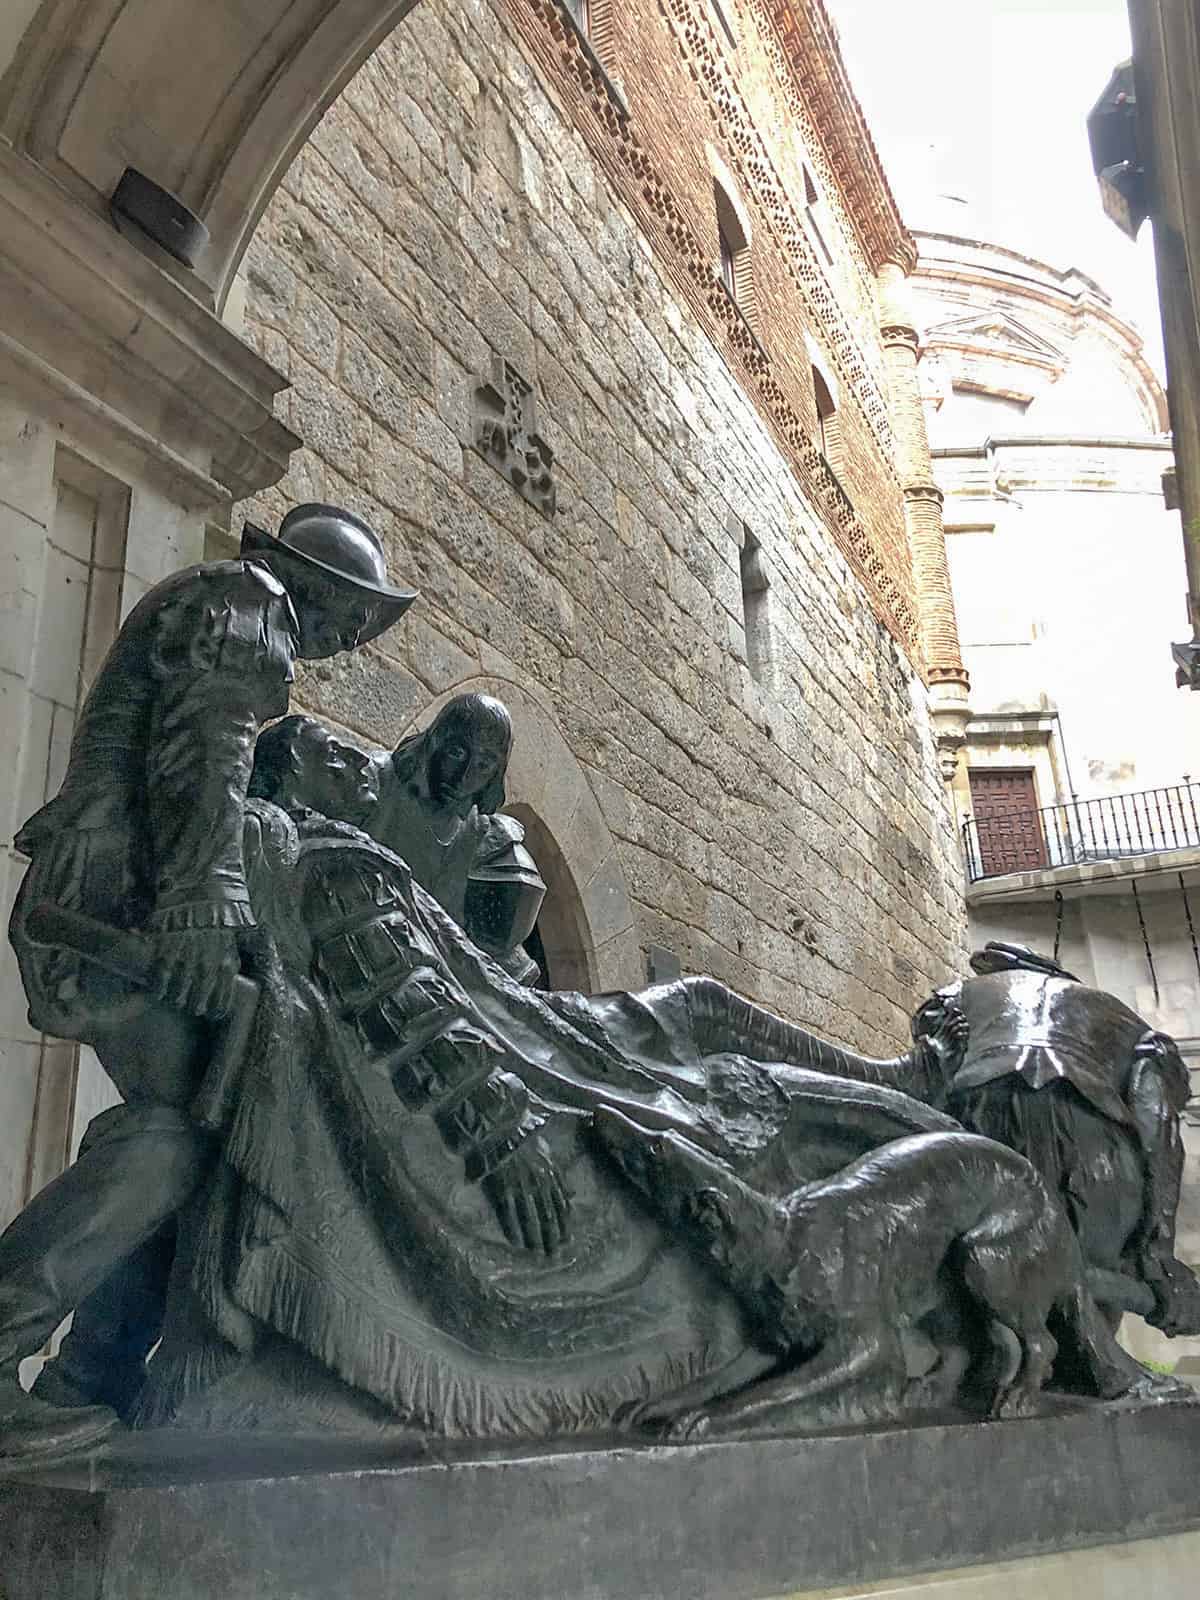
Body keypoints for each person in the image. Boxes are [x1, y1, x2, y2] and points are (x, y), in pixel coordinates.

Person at [0, 504, 415, 1455]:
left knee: (204, 1135)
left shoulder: (223, 600)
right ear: (310, 583)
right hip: (125, 903)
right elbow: (206, 751)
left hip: (129, 896)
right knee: (180, 1133)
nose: (353, 634)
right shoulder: (246, 597)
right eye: (353, 610)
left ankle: (91, 1370)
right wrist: (202, 900)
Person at [920, 941, 1200, 1336]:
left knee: (963, 1297)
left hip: (973, 1128)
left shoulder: (953, 996)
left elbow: (926, 1076)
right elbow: (1158, 1129)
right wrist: (1157, 1253)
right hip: (1091, 1154)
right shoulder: (1120, 1019)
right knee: (1091, 1323)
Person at [369, 695, 546, 981]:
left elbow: (503, 966)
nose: (464, 777)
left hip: (429, 995)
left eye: (483, 765)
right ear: (434, 739)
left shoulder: (485, 843)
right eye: (456, 753)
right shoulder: (373, 785)